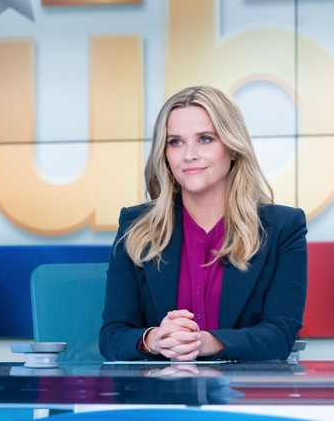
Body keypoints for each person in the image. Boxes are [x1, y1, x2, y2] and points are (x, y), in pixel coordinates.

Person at [100, 85, 307, 362]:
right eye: (175, 142)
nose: (189, 155)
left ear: (232, 148)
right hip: (157, 395)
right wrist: (155, 339)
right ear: (165, 154)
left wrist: (207, 343)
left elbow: (280, 335)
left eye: (205, 139)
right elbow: (112, 335)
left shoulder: (283, 227)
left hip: (245, 395)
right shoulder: (136, 226)